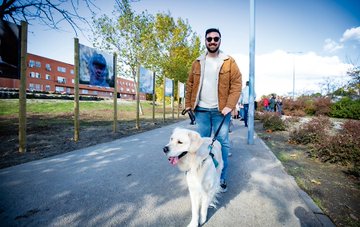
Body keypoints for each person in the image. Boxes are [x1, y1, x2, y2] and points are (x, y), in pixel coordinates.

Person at [185, 28, 242, 193]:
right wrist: (188, 104)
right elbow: (190, 85)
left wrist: (229, 106)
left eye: (215, 39)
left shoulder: (229, 61)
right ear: (205, 40)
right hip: (201, 110)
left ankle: (220, 177)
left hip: (221, 111)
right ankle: (200, 175)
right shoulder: (198, 62)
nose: (212, 41)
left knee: (222, 143)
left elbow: (237, 84)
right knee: (201, 143)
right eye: (209, 39)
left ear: (220, 41)